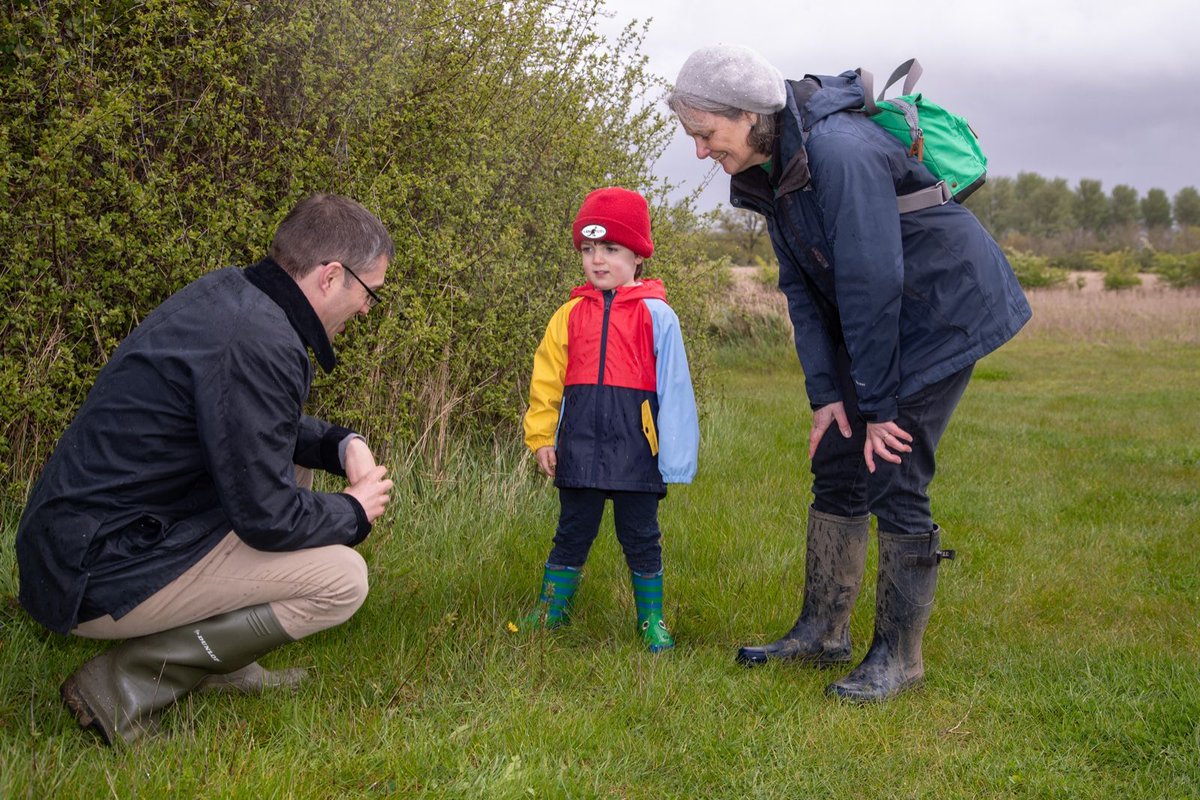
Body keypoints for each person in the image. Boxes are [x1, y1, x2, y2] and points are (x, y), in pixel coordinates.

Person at [667, 46, 1031, 700]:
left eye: (705, 135)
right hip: (885, 309)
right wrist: (829, 394)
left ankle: (899, 657)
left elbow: (871, 283)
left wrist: (882, 406)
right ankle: (821, 632)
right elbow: (801, 287)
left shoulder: (837, 152)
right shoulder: (770, 165)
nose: (699, 152)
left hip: (942, 306)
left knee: (894, 465)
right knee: (839, 454)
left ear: (749, 115)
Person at [15, 193, 396, 744]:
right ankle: (121, 686)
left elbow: (253, 424)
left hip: (84, 540)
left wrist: (342, 443)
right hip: (96, 569)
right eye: (368, 294)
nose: (366, 309)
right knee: (341, 581)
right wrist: (354, 511)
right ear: (330, 276)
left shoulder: (237, 296)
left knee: (296, 473)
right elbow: (267, 517)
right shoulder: (259, 340)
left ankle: (226, 656)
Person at [516, 187, 699, 652]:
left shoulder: (658, 315)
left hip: (637, 449)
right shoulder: (569, 314)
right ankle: (551, 611)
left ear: (638, 255)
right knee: (572, 529)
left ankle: (651, 621)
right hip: (578, 444)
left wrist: (675, 457)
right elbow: (546, 381)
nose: (598, 259)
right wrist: (541, 438)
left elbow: (676, 390)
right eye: (588, 249)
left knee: (640, 535)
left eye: (611, 249)